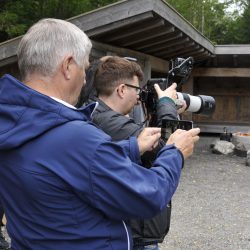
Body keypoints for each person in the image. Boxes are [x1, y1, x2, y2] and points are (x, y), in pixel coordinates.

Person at [0, 18, 200, 250]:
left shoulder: (13, 122)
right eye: (84, 69)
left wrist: (132, 147)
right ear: (67, 65)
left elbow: (56, 164)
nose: (86, 80)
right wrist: (175, 152)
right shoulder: (76, 138)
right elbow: (149, 195)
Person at [85, 56, 187, 250]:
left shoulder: (96, 113)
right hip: (133, 232)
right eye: (137, 90)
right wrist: (166, 105)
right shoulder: (110, 122)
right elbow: (165, 149)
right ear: (121, 90)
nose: (139, 97)